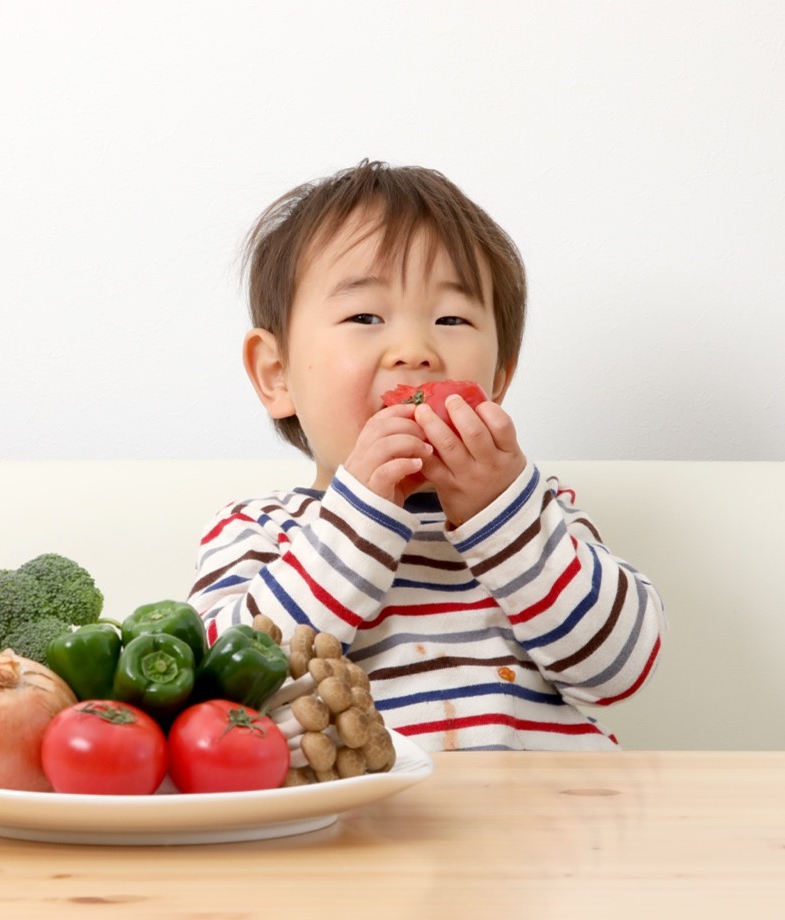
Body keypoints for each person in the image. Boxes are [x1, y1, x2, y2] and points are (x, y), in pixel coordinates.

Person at [189, 160, 665, 752]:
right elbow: (217, 691)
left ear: (497, 380)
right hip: (362, 834)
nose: (414, 351)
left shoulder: (537, 515)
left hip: (552, 830)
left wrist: (501, 511)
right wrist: (359, 516)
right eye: (365, 317)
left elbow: (619, 671)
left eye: (452, 319)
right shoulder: (260, 531)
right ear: (277, 373)